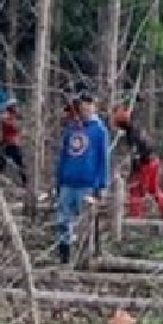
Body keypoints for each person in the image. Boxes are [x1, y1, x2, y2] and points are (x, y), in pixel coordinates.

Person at [55, 88, 109, 265]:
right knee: (63, 220)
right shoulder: (71, 128)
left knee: (84, 222)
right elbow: (64, 155)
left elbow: (103, 159)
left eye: (88, 108)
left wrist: (101, 185)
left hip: (87, 184)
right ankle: (64, 255)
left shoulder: (99, 131)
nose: (85, 112)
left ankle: (85, 257)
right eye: (82, 108)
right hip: (67, 182)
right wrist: (59, 179)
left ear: (94, 108)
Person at [111, 106, 163, 220]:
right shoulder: (136, 127)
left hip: (146, 164)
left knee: (136, 190)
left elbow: (136, 154)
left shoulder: (132, 134)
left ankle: (136, 216)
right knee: (153, 189)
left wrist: (134, 172)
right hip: (154, 160)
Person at [0, 98, 27, 185]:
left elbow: (17, 127)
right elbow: (10, 126)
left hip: (13, 143)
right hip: (8, 143)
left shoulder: (15, 116)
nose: (16, 107)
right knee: (1, 162)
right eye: (14, 106)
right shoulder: (7, 116)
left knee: (19, 163)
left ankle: (24, 182)